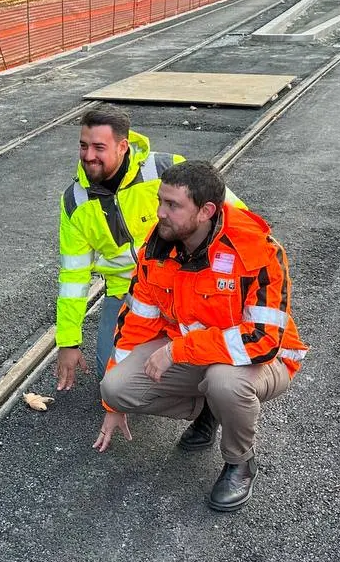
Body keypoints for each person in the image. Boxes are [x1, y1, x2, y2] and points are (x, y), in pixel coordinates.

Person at [93, 160, 308, 513]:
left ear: (206, 211)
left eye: (172, 205)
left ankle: (240, 462)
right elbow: (135, 323)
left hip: (264, 360)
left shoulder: (257, 251)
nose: (159, 213)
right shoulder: (158, 247)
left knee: (225, 382)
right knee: (115, 387)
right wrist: (113, 404)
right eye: (160, 201)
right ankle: (209, 409)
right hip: (195, 355)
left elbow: (261, 340)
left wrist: (178, 349)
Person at [55, 104, 184, 388]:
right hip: (125, 290)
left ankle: (199, 402)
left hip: (180, 286)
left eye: (99, 147)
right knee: (111, 379)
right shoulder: (75, 201)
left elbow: (226, 214)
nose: (89, 156)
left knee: (202, 359)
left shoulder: (167, 170)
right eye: (83, 146)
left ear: (123, 146)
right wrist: (68, 341)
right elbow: (73, 277)